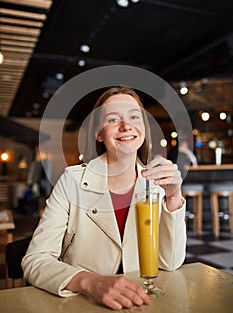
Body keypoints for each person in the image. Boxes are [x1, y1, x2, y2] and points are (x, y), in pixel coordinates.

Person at [22, 86, 186, 311]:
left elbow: (170, 263)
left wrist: (174, 196)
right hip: (82, 304)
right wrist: (91, 281)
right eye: (113, 119)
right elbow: (35, 261)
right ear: (98, 134)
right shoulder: (72, 181)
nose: (126, 125)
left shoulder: (155, 185)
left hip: (140, 303)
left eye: (134, 116)